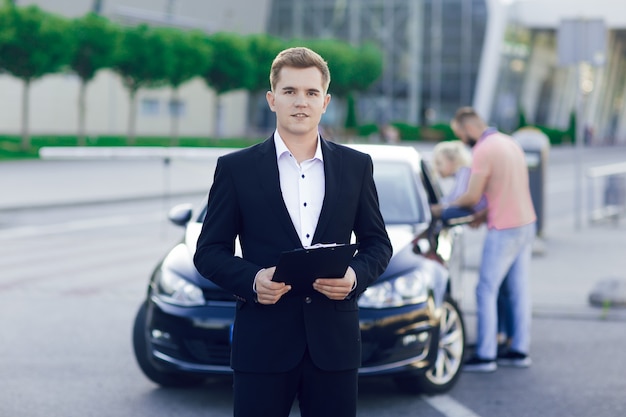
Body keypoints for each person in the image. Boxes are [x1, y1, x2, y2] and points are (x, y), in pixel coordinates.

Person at [193, 47, 393, 417]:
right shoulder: (236, 168)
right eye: (289, 92)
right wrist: (253, 279)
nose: (300, 102)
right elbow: (208, 251)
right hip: (263, 345)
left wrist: (354, 276)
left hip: (334, 346)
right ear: (272, 99)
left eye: (311, 93)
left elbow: (377, 243)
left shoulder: (356, 166)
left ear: (325, 101)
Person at [447, 106, 536, 372]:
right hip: (526, 223)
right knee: (518, 291)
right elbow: (506, 190)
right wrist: (484, 215)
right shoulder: (510, 143)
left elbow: (472, 196)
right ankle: (519, 351)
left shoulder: (483, 150)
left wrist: (445, 207)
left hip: (505, 228)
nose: (462, 140)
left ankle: (485, 355)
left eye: (461, 134)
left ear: (469, 128)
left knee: (485, 289)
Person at [429, 140, 487, 223]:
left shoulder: (464, 171)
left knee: (446, 213)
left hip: (478, 213)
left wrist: (441, 208)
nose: (437, 169)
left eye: (439, 163)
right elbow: (452, 198)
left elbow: (459, 198)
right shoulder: (461, 174)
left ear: (452, 161)